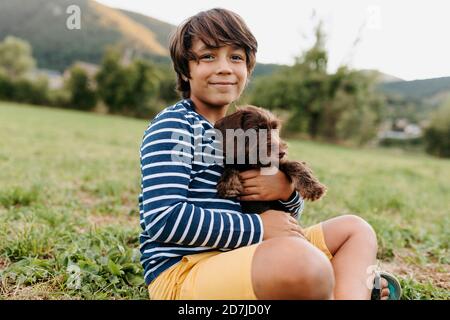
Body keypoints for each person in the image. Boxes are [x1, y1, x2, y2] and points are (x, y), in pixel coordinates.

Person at [138, 8, 396, 300]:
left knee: (355, 230)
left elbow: (283, 222)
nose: (224, 67)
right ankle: (343, 285)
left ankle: (344, 292)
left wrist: (285, 191)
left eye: (236, 57)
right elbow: (163, 218)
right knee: (300, 260)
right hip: (186, 272)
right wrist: (258, 228)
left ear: (248, 69)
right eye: (208, 56)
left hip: (249, 254)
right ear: (186, 69)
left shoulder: (246, 130)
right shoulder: (175, 126)